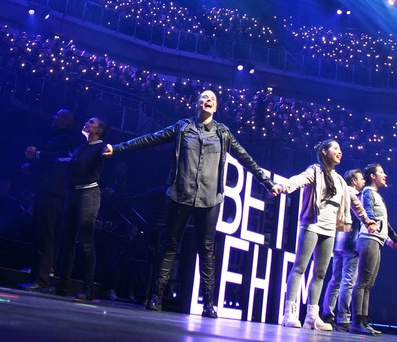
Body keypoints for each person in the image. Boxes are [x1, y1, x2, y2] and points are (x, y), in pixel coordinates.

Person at [103, 89, 278, 318]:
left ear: (216, 107)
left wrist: (266, 182)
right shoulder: (183, 127)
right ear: (197, 103)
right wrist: (118, 148)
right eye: (205, 97)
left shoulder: (223, 133)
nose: (208, 101)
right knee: (169, 245)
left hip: (209, 199)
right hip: (180, 194)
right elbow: (150, 138)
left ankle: (208, 303)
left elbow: (246, 158)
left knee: (206, 250)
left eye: (213, 99)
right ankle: (156, 296)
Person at [273, 140, 376, 331]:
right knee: (300, 267)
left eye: (340, 149)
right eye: (335, 148)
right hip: (312, 224)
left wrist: (367, 220)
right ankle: (289, 312)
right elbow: (297, 180)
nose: (339, 152)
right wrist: (281, 187)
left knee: (320, 273)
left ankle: (312, 315)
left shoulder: (339, 181)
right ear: (324, 152)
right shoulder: (315, 171)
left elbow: (355, 203)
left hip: (330, 229)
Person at [42, 117, 109, 300]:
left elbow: (106, 155)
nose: (86, 123)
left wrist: (108, 152)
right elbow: (66, 161)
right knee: (67, 242)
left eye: (91, 122)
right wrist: (40, 155)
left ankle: (88, 289)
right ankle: (61, 285)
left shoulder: (101, 147)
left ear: (99, 130)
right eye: (87, 121)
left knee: (86, 242)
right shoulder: (80, 147)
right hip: (72, 195)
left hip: (88, 195)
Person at [18, 109, 78, 292]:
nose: (53, 117)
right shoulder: (56, 140)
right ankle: (38, 274)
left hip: (52, 193)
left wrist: (36, 155)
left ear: (66, 122)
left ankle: (42, 278)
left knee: (45, 235)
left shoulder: (66, 140)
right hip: (47, 192)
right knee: (41, 235)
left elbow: (59, 158)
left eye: (57, 116)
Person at [351, 162, 397, 336]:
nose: (385, 175)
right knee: (363, 282)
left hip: (377, 240)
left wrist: (393, 239)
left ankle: (364, 320)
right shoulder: (367, 192)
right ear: (372, 176)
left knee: (369, 284)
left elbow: (384, 222)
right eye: (381, 172)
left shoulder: (377, 195)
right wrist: (371, 221)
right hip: (369, 239)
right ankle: (356, 321)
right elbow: (368, 211)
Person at [323, 168, 368, 331]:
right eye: (361, 178)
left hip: (338, 241)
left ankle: (327, 313)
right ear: (353, 181)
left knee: (335, 280)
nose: (363, 181)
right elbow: (360, 216)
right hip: (351, 242)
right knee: (348, 281)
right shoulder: (355, 195)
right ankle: (343, 317)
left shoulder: (339, 191)